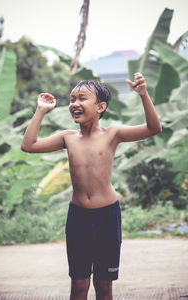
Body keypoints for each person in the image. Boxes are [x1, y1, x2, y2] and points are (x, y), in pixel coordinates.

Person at [21, 72, 161, 300]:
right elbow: (28, 145)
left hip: (107, 216)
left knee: (104, 285)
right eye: (72, 99)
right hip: (78, 218)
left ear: (100, 107)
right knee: (78, 285)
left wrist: (144, 96)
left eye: (82, 98)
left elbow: (153, 129)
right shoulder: (67, 137)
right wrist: (41, 110)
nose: (75, 103)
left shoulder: (112, 134)